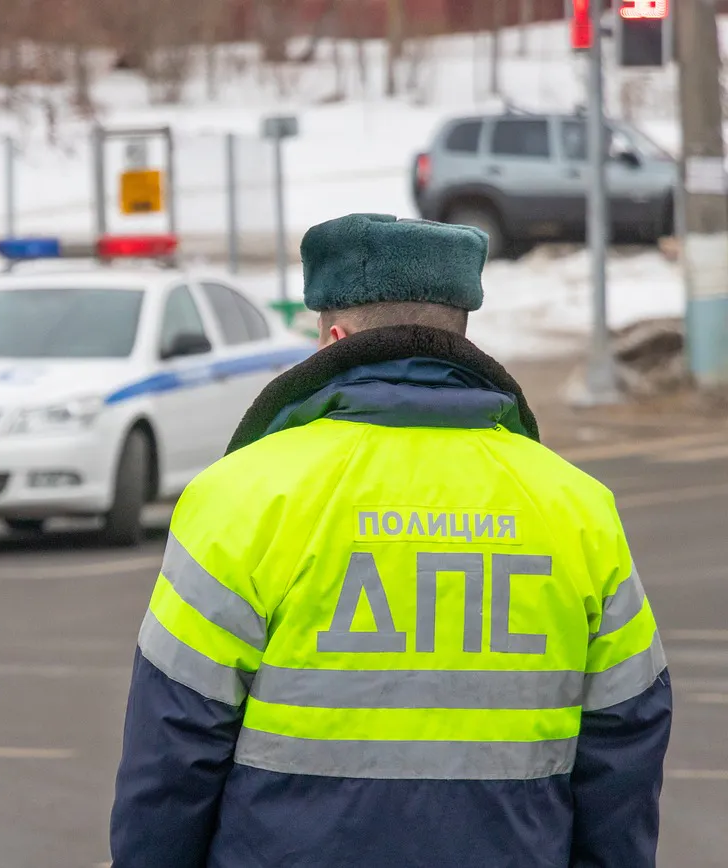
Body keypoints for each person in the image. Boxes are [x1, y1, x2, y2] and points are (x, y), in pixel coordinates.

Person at [110, 213, 672, 868]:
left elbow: (172, 751)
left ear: (334, 337)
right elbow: (627, 740)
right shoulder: (578, 509)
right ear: (460, 333)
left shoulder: (240, 498)